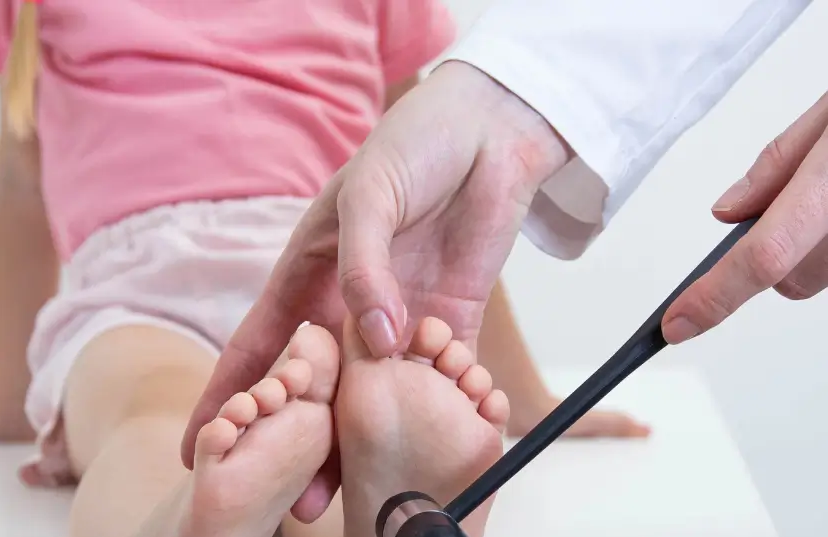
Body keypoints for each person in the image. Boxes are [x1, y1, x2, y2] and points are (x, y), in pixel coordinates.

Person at [0, 0, 648, 537]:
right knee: (320, 454)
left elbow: (19, 180)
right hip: (322, 271)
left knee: (149, 425)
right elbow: (432, 181)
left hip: (196, 277)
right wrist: (524, 397)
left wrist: (12, 398)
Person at [182, 0, 821, 477]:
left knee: (145, 420)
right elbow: (438, 164)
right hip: (353, 250)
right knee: (331, 425)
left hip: (301, 248)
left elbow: (435, 155)